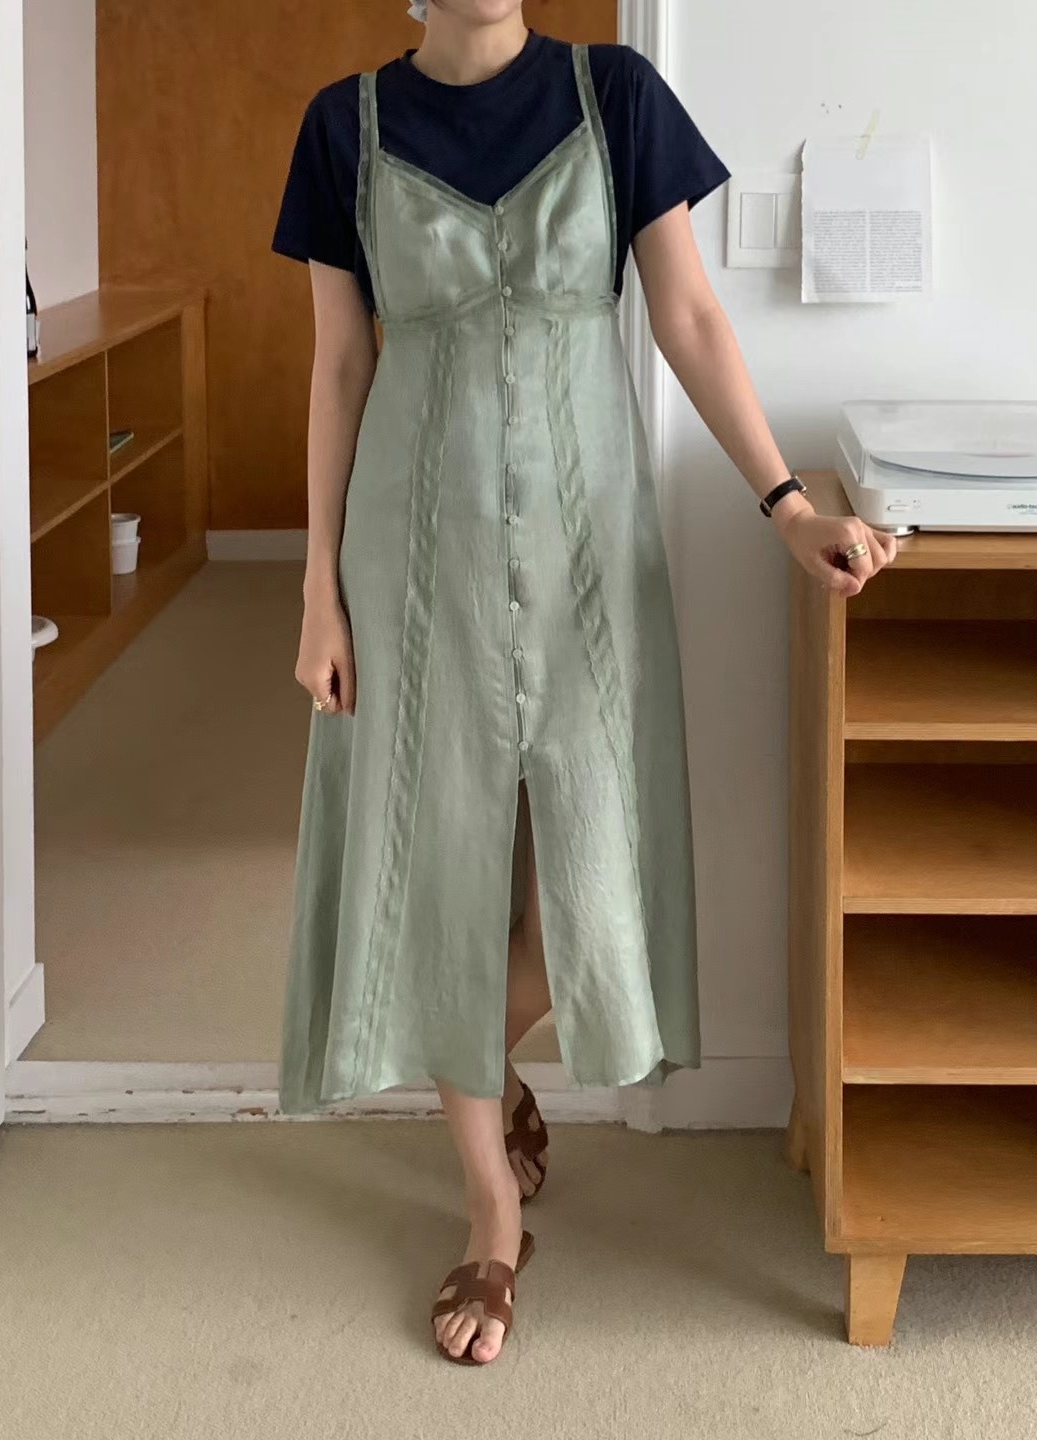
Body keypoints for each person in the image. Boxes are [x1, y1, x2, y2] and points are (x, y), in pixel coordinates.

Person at [271, 0, 896, 1367]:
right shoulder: (344, 127)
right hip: (412, 558)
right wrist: (319, 587)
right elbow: (340, 363)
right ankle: (492, 1213)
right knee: (435, 871)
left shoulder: (616, 96)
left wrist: (787, 504)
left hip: (589, 561)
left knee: (591, 893)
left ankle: (483, 1064)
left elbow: (690, 315)